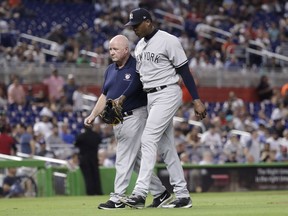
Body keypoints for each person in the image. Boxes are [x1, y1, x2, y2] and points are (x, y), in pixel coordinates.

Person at [118, 8, 206, 208]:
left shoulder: (169, 40)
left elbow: (184, 70)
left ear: (148, 22)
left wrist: (196, 99)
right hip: (151, 96)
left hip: (167, 92)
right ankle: (183, 195)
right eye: (131, 26)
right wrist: (123, 97)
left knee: (148, 139)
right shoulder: (139, 46)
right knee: (166, 148)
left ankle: (140, 192)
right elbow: (139, 80)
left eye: (136, 25)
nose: (134, 29)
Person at [84, 35, 172, 209]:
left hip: (136, 115)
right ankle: (161, 194)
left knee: (124, 157)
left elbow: (142, 86)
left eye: (116, 49)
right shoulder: (110, 69)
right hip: (119, 120)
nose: (112, 52)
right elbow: (104, 95)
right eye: (110, 49)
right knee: (136, 161)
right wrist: (93, 114)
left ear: (126, 50)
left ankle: (117, 198)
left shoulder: (137, 66)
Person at [74, 125, 102, 196]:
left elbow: (76, 144)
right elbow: (99, 141)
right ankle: (98, 191)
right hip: (94, 158)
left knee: (87, 176)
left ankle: (90, 192)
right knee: (95, 175)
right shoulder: (95, 135)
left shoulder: (81, 136)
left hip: (84, 158)